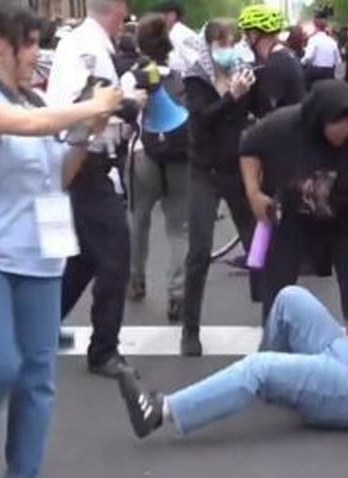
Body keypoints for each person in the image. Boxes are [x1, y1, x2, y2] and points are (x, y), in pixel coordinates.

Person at [0, 8, 123, 478]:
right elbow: (24, 128)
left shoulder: (38, 102)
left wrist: (85, 136)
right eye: (30, 43)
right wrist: (94, 105)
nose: (37, 53)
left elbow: (60, 175)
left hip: (42, 258)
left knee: (38, 381)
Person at [116, 256, 348, 438]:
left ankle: (159, 412)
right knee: (290, 298)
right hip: (346, 355)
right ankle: (256, 385)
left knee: (259, 369)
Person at [239, 79, 348, 327]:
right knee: (277, 287)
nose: (346, 130)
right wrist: (253, 193)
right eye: (338, 123)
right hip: (293, 217)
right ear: (319, 119)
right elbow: (248, 146)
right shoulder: (284, 125)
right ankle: (274, 345)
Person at [47, 0, 146, 379]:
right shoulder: (85, 47)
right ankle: (104, 350)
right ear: (116, 10)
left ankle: (36, 330)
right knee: (116, 255)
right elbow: (82, 103)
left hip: (91, 160)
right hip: (86, 159)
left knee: (86, 258)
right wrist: (125, 105)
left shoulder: (91, 45)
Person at [180, 18, 261, 357]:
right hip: (204, 170)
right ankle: (190, 329)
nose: (228, 49)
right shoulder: (195, 76)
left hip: (237, 168)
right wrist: (231, 96)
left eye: (233, 42)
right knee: (199, 251)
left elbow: (257, 112)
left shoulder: (245, 72)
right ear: (209, 44)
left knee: (258, 248)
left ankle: (274, 318)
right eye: (222, 42)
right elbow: (204, 116)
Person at [123, 13, 190, 324]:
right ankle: (177, 295)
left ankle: (136, 281)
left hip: (142, 154)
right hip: (179, 155)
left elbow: (125, 121)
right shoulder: (180, 75)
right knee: (178, 229)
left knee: (140, 221)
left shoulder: (131, 76)